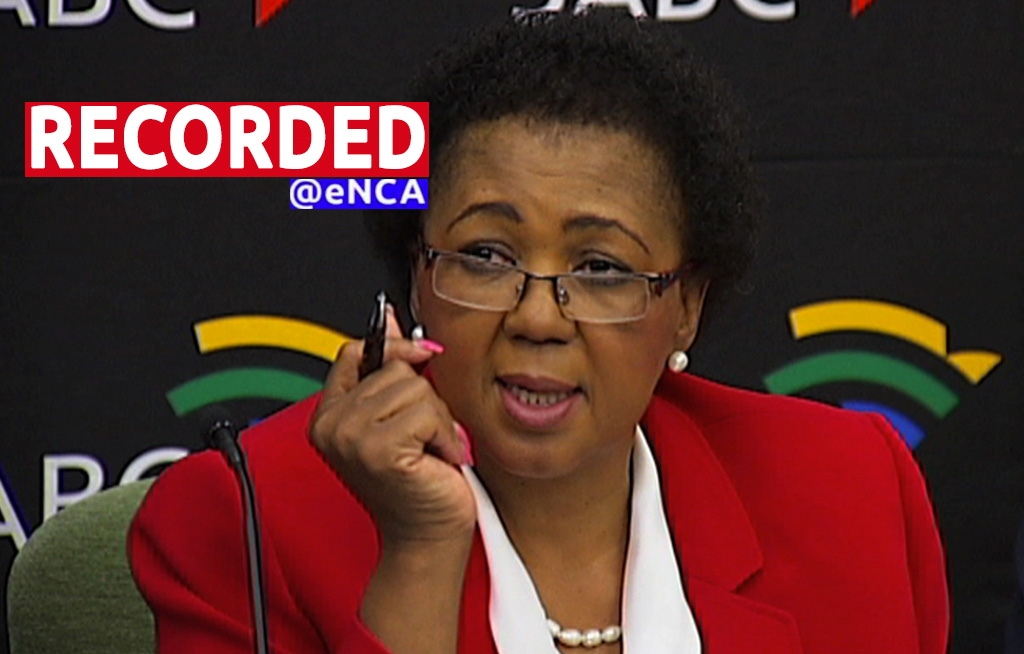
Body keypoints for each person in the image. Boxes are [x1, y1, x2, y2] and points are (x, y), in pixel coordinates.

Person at [129, 9, 949, 654]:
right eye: (486, 256)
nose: (537, 318)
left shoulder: (848, 490)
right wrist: (420, 552)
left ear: (687, 305)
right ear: (417, 274)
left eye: (601, 268)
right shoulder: (241, 519)